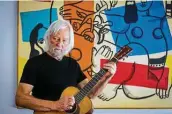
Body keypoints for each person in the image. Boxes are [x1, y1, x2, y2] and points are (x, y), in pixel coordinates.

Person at [15, 19, 116, 114]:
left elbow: (90, 94)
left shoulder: (73, 64)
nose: (60, 44)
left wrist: (107, 78)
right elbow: (20, 99)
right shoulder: (34, 63)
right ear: (48, 37)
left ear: (69, 42)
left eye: (64, 40)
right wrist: (55, 105)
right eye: (56, 38)